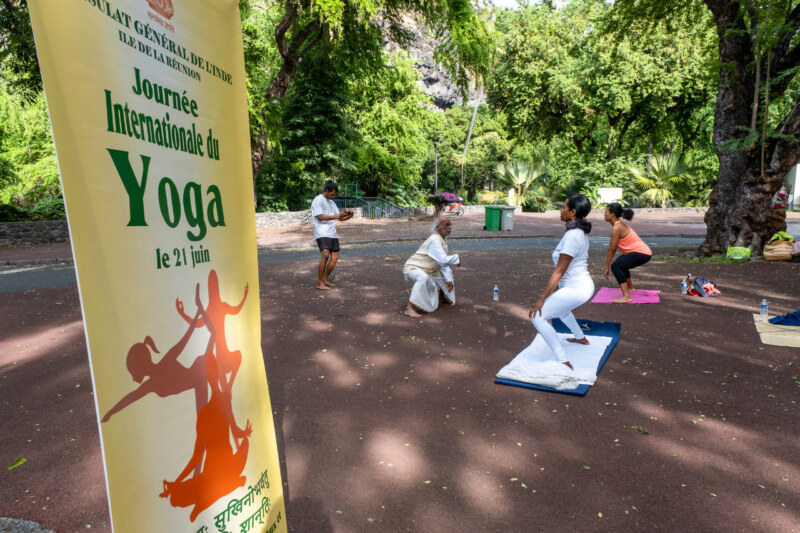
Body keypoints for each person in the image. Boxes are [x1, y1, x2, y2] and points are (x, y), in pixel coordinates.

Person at [528, 194, 595, 371]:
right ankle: (581, 337)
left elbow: (560, 270)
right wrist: (556, 290)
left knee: (538, 316)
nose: (561, 209)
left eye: (564, 207)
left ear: (573, 212)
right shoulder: (575, 232)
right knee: (562, 311)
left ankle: (563, 361)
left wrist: (542, 298)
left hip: (578, 288)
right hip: (576, 286)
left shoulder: (573, 235)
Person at [402, 216, 461, 318]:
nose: (450, 227)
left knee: (447, 272)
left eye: (450, 225)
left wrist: (448, 280)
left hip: (428, 269)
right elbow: (443, 259)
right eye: (447, 225)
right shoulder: (435, 240)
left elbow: (442, 264)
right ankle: (409, 308)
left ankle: (441, 296)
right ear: (438, 228)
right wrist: (457, 258)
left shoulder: (442, 239)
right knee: (423, 277)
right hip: (414, 267)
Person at [603, 202, 652, 303]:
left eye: (606, 212)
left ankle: (626, 296)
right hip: (642, 252)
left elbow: (612, 249)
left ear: (612, 214)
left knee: (616, 266)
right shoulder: (618, 225)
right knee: (620, 262)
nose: (604, 214)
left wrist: (607, 266)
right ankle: (630, 287)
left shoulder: (617, 227)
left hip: (642, 253)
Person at [311, 180, 354, 290]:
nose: (334, 196)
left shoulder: (331, 202)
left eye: (335, 194)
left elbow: (339, 218)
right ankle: (319, 282)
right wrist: (336, 216)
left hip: (332, 233)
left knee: (335, 257)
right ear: (326, 190)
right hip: (321, 232)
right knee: (325, 255)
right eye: (332, 194)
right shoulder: (318, 200)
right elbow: (319, 217)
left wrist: (349, 216)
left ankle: (325, 279)